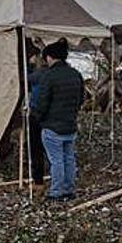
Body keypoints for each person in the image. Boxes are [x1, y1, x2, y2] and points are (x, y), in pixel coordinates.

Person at [31, 38, 84, 201]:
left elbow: (42, 102)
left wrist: (36, 118)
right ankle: (69, 190)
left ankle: (56, 192)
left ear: (49, 57)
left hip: (52, 126)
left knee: (57, 161)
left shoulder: (49, 76)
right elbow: (81, 98)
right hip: (70, 124)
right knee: (69, 158)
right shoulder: (76, 74)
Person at [26, 40, 47, 194]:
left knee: (36, 147)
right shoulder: (54, 74)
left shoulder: (37, 75)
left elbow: (25, 80)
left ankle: (38, 180)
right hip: (52, 115)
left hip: (37, 114)